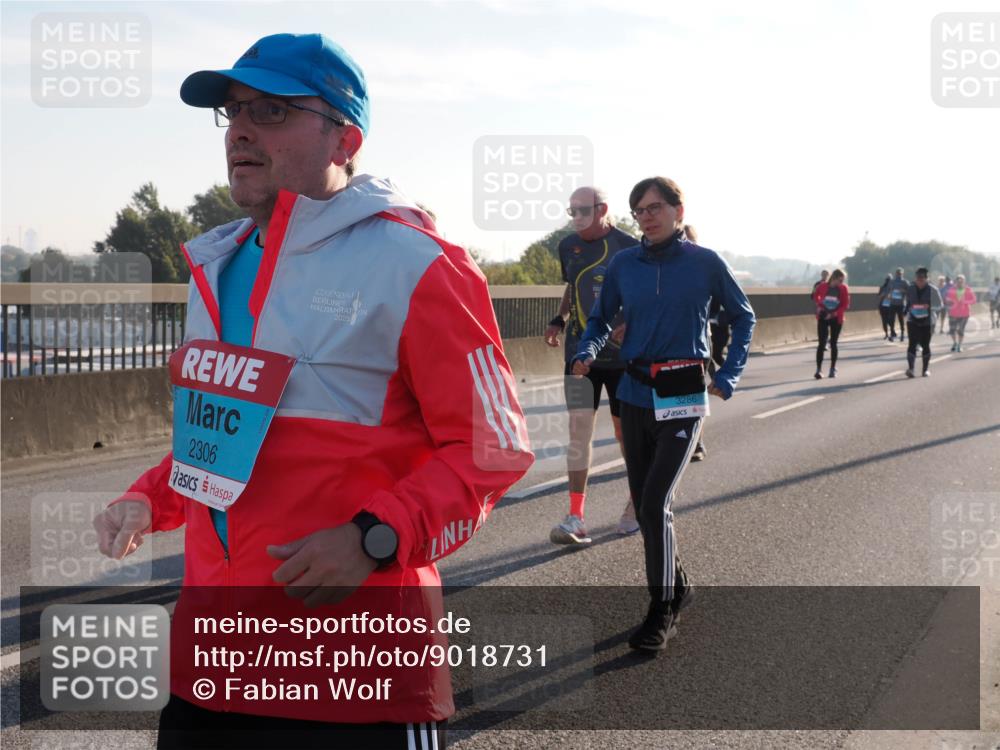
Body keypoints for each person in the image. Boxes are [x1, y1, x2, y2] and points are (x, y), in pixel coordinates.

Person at [91, 33, 533, 749]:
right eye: (233, 110)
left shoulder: (418, 264)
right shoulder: (214, 267)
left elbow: (494, 448)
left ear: (344, 138)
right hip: (208, 673)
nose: (240, 128)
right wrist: (152, 498)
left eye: (271, 110)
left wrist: (374, 538)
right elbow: (223, 446)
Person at [572, 176, 755, 652]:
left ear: (678, 210)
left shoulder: (705, 262)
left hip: (682, 393)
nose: (646, 217)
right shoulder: (623, 264)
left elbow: (743, 316)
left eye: (655, 207)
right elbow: (601, 318)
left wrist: (729, 374)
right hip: (634, 391)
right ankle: (680, 584)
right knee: (644, 501)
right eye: (640, 210)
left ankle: (662, 609)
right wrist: (588, 348)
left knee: (654, 504)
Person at [544, 187, 639, 543]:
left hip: (621, 359)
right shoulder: (568, 246)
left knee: (624, 434)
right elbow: (573, 286)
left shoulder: (630, 247)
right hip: (579, 356)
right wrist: (560, 318)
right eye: (572, 211)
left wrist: (630, 322)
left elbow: (644, 294)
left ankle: (638, 501)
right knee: (578, 431)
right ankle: (575, 517)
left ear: (603, 209)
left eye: (583, 210)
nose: (576, 217)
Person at [904, 267, 944, 378]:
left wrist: (929, 307)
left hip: (928, 321)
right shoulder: (910, 289)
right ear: (915, 279)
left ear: (927, 279)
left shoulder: (933, 290)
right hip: (912, 320)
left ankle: (925, 370)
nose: (920, 281)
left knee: (925, 345)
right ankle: (911, 369)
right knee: (912, 344)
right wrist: (905, 310)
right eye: (918, 279)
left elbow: (940, 305)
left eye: (922, 279)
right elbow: (907, 303)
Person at [812, 268, 850, 379]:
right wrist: (819, 306)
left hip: (836, 318)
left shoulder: (843, 288)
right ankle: (818, 370)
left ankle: (832, 368)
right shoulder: (822, 286)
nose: (841, 283)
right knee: (821, 343)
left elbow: (845, 304)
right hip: (823, 316)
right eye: (840, 280)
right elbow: (815, 296)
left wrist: (834, 314)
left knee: (833, 343)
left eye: (843, 281)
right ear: (834, 278)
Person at [945, 274, 977, 352]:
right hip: (953, 312)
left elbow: (974, 300)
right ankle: (955, 343)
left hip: (964, 313)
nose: (959, 283)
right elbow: (947, 299)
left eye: (961, 281)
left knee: (961, 330)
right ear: (956, 281)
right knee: (952, 330)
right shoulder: (951, 289)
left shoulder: (968, 289)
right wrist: (949, 301)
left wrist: (965, 302)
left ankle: (959, 345)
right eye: (958, 281)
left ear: (964, 281)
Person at [887, 267, 909, 342]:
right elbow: (889, 290)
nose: (899, 275)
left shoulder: (905, 282)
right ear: (895, 273)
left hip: (901, 304)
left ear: (902, 274)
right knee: (891, 319)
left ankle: (902, 333)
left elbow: (910, 291)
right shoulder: (892, 282)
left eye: (900, 273)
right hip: (893, 303)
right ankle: (892, 334)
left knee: (901, 319)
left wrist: (903, 291)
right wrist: (890, 294)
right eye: (898, 273)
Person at [877, 274, 894, 339]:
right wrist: (883, 295)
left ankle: (892, 331)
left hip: (890, 306)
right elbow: (878, 296)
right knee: (884, 320)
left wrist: (890, 296)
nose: (888, 281)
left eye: (889, 280)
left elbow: (896, 296)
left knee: (889, 320)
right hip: (883, 306)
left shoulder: (893, 288)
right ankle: (886, 333)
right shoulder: (882, 287)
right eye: (887, 280)